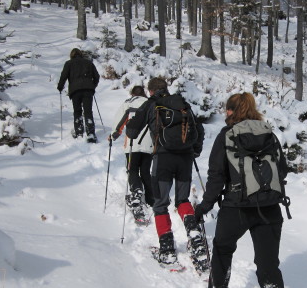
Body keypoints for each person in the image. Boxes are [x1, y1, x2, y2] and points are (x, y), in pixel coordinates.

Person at [192, 92, 289, 288]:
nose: (225, 114)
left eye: (227, 110)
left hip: (236, 207)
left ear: (232, 111)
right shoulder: (269, 134)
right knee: (269, 266)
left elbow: (216, 177)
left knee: (222, 251)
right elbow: (283, 170)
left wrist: (203, 207)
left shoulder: (227, 135)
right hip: (270, 208)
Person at [125, 77, 207, 270]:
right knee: (183, 200)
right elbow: (199, 129)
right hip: (185, 158)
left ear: (151, 91)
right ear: (166, 89)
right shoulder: (182, 104)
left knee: (160, 203)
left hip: (163, 159)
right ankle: (195, 237)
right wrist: (194, 150)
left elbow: (132, 130)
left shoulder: (151, 104)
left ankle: (168, 251)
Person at [108, 85, 154, 223]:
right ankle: (151, 200)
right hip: (149, 143)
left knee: (132, 169)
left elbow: (120, 121)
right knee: (145, 171)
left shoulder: (128, 103)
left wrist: (113, 135)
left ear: (132, 93)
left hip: (132, 142)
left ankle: (137, 192)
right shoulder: (150, 104)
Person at [57, 48, 100, 143]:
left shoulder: (68, 64)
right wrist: (93, 85)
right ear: (81, 54)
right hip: (88, 90)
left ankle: (79, 132)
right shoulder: (88, 63)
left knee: (77, 111)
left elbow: (63, 76)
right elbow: (96, 76)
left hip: (75, 90)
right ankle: (91, 134)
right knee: (88, 111)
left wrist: (60, 87)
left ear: (71, 55)